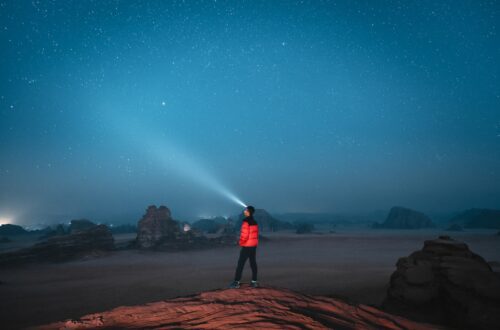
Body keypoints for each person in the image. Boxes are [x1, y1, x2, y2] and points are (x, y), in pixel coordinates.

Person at [229, 205, 259, 288]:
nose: (244, 211)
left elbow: (244, 235)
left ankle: (236, 282)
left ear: (249, 212)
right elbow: (255, 234)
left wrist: (241, 243)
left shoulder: (246, 222)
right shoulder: (255, 222)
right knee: (253, 263)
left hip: (247, 246)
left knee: (240, 264)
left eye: (246, 210)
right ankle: (254, 282)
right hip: (253, 245)